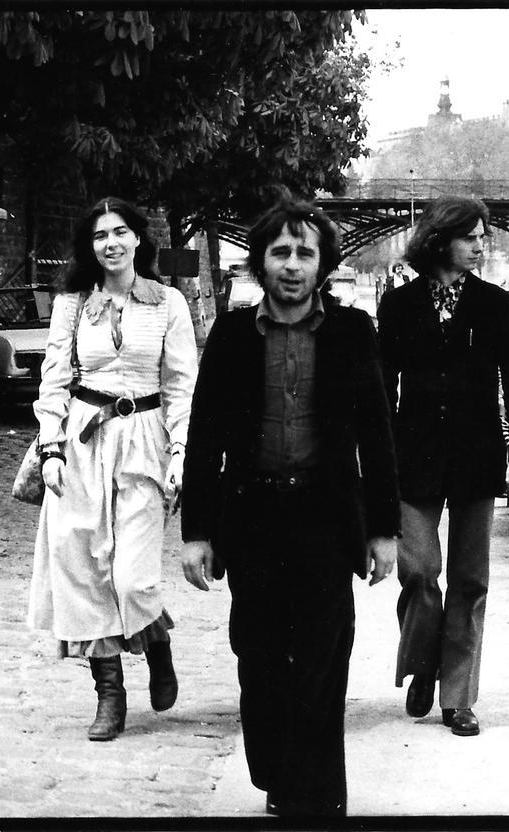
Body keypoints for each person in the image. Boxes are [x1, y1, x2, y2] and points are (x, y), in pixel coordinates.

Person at [179, 192, 399, 817]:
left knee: (325, 661)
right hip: (252, 520)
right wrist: (198, 532)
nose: (293, 264)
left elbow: (378, 436)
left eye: (306, 253)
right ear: (260, 263)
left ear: (323, 263)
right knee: (260, 655)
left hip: (327, 522)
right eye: (281, 252)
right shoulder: (230, 334)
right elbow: (204, 439)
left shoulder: (354, 332)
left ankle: (320, 795)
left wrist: (383, 530)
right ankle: (278, 770)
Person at [28, 197, 198, 742]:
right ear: (91, 246)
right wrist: (51, 448)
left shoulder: (168, 302)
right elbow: (54, 378)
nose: (111, 243)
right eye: (100, 235)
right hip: (82, 441)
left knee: (133, 576)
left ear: (138, 240)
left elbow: (180, 385)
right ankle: (109, 693)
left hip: (144, 441)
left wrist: (181, 451)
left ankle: (158, 641)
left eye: (120, 232)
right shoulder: (72, 304)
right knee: (83, 571)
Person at [376, 195, 509, 738]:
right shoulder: (397, 305)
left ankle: (458, 696)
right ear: (441, 239)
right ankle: (423, 661)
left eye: (483, 236)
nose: (480, 245)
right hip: (414, 456)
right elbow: (382, 388)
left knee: (470, 580)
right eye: (471, 236)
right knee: (419, 571)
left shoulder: (494, 303)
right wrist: (379, 456)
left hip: (476, 455)